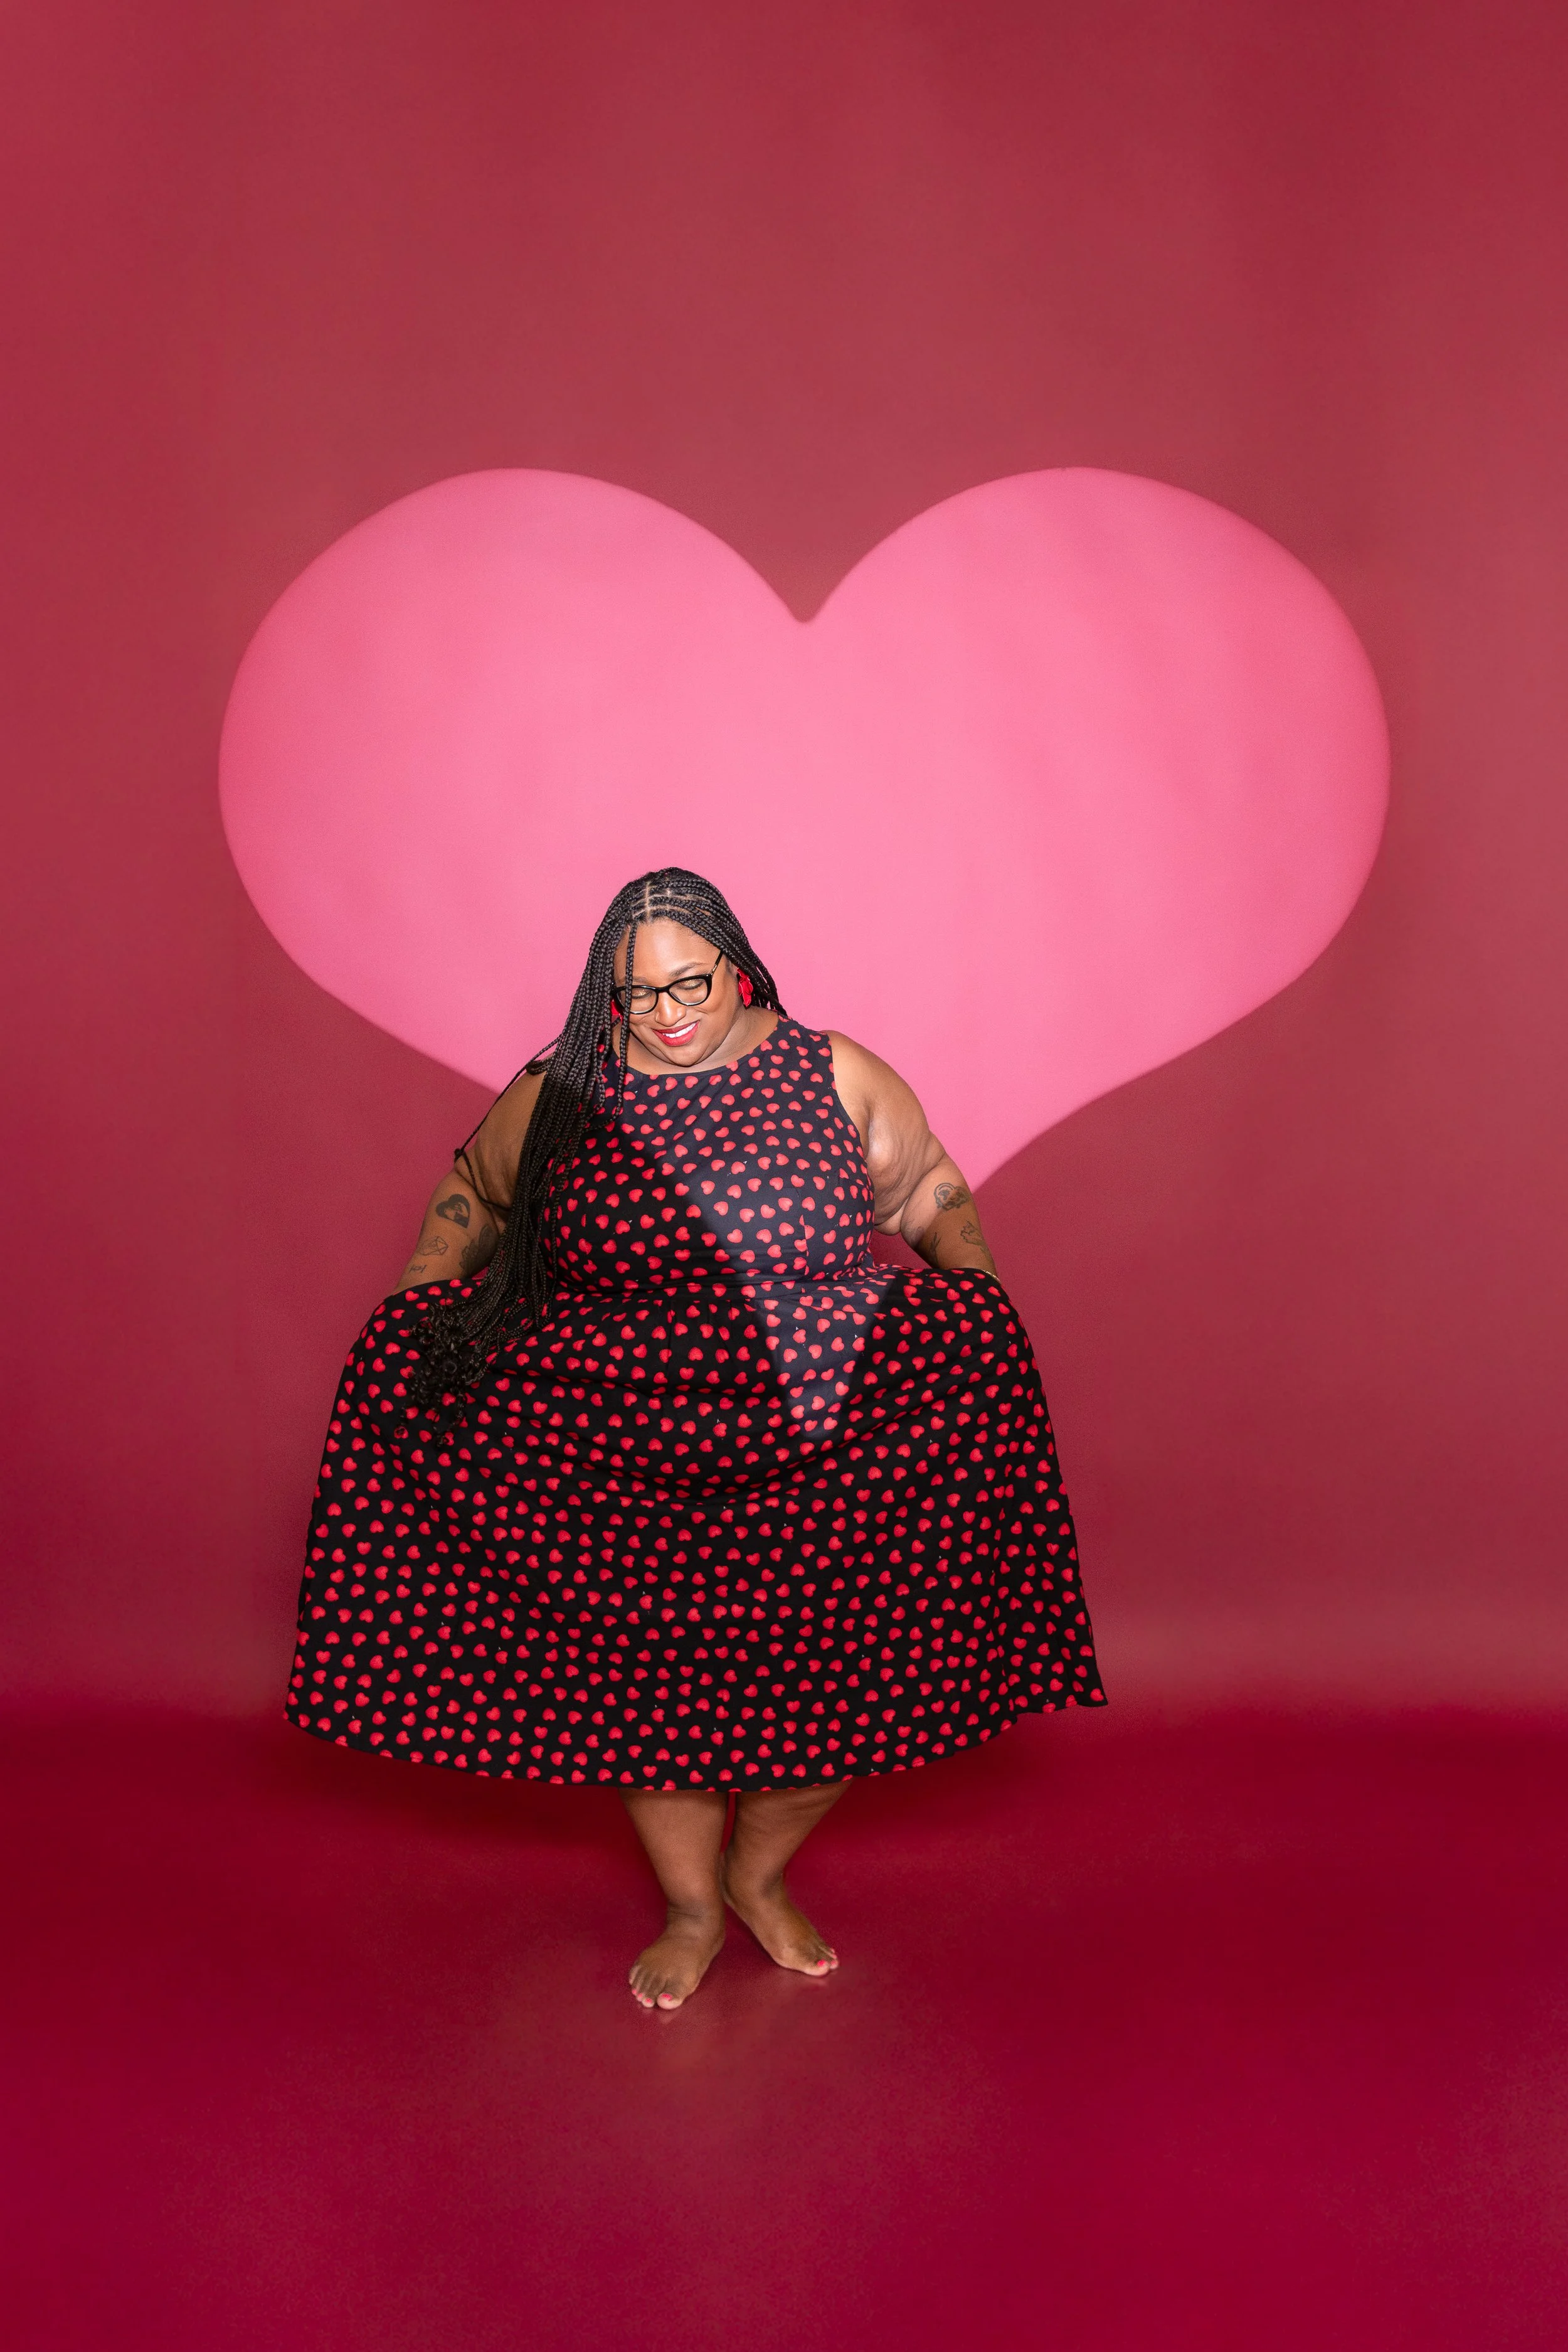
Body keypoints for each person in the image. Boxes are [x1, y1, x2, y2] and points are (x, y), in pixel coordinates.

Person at [286, 867, 1104, 2009]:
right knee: (647, 1700)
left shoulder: (834, 1071)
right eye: (636, 997)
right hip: (618, 1453)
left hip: (821, 1447)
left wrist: (980, 1303)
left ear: (738, 964)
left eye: (690, 984)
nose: (667, 1014)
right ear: (605, 997)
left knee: (837, 1693)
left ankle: (757, 1880)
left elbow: (922, 1185)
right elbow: (479, 1184)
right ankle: (691, 1907)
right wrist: (418, 1305)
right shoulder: (565, 1090)